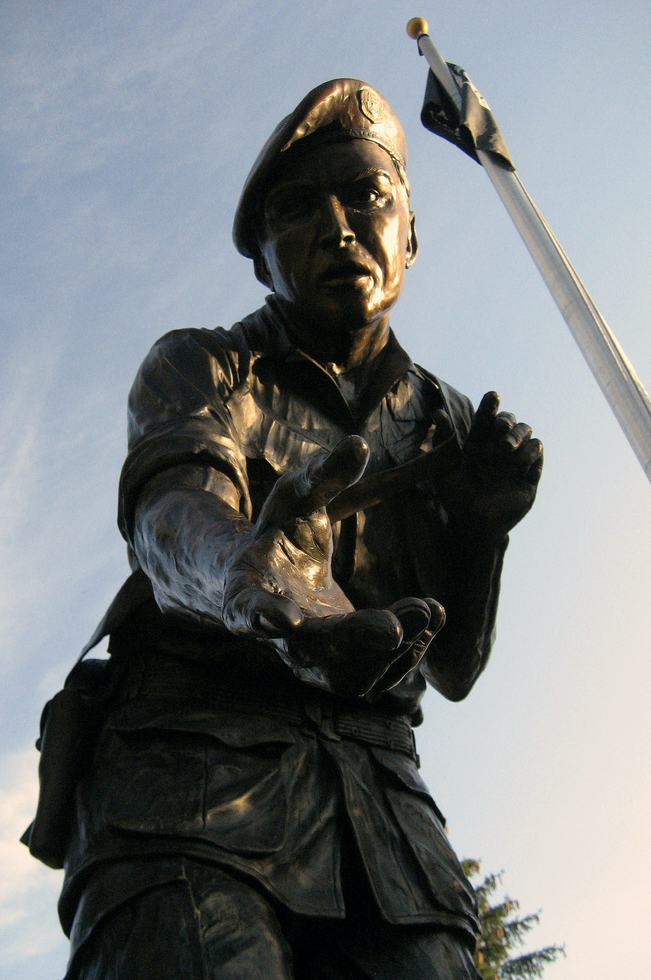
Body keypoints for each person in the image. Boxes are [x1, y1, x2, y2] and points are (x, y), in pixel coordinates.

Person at [47, 79, 543, 979]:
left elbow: (455, 668)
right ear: (265, 260)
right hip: (187, 790)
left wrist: (484, 532)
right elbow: (169, 514)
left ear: (411, 237)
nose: (338, 226)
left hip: (382, 822)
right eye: (296, 209)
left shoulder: (444, 422)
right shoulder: (204, 365)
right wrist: (252, 574)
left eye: (367, 197)